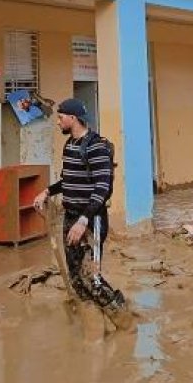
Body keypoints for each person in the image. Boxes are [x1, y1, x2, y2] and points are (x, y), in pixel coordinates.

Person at [32, 98, 128, 321]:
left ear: (73, 118)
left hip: (90, 218)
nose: (58, 122)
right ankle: (94, 322)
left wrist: (84, 220)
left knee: (92, 279)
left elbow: (103, 187)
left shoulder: (97, 146)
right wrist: (46, 192)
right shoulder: (70, 145)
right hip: (70, 216)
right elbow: (67, 181)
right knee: (76, 278)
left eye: (61, 117)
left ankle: (125, 321)